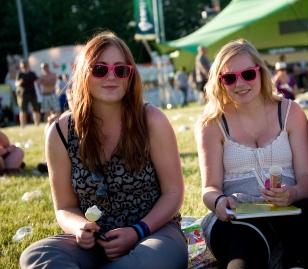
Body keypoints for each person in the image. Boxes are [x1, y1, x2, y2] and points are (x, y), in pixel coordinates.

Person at [20, 32, 188, 269]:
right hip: (93, 245)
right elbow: (65, 207)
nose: (112, 77)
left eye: (121, 70)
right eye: (100, 69)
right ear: (84, 74)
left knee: (153, 260)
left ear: (130, 76)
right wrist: (79, 228)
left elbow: (173, 193)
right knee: (37, 255)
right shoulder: (61, 132)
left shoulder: (151, 120)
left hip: (153, 233)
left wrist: (136, 231)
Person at [195, 39, 308, 269]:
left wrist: (293, 193)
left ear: (261, 72)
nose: (240, 83)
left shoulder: (290, 112)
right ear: (220, 83)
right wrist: (219, 201)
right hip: (239, 219)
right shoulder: (211, 124)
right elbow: (209, 189)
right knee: (245, 242)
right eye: (229, 78)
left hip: (288, 212)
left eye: (248, 74)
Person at [15, 60, 41, 127]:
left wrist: (39, 89)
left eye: (25, 65)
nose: (25, 67)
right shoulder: (20, 74)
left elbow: (38, 81)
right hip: (23, 94)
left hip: (32, 93)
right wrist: (20, 82)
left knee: (36, 109)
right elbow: (16, 83)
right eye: (23, 66)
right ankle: (23, 125)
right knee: (23, 110)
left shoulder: (32, 73)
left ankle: (37, 123)